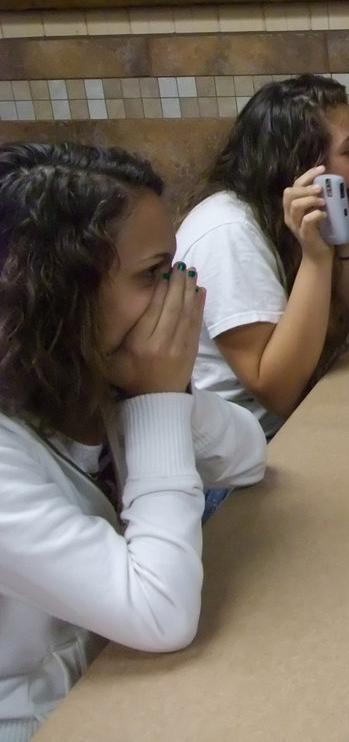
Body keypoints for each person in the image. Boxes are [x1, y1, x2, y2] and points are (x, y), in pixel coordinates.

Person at [0, 142, 268, 740]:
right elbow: (159, 614)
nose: (183, 297)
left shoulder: (89, 376)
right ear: (62, 299)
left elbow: (247, 455)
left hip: (118, 678)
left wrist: (162, 390)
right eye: (154, 275)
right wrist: (158, 400)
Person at [176, 74, 349, 443]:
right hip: (239, 469)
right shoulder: (228, 234)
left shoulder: (275, 219)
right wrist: (317, 260)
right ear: (300, 166)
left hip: (282, 433)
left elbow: (332, 333)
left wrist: (341, 242)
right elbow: (280, 393)